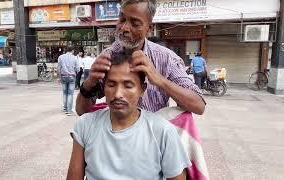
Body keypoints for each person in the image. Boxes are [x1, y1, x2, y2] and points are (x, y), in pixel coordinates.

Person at [67, 51, 191, 180]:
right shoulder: (85, 125)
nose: (118, 94)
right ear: (104, 88)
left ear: (142, 89)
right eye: (111, 84)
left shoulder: (163, 131)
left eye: (128, 85)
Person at [76, 0, 205, 115]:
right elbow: (82, 111)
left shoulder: (167, 59)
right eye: (122, 20)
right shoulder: (106, 58)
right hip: (117, 138)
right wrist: (89, 82)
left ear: (149, 28)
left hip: (154, 139)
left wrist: (159, 80)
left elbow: (199, 106)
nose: (125, 28)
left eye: (135, 23)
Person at [57, 46, 78, 115]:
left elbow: (58, 68)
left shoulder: (61, 57)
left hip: (63, 76)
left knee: (65, 93)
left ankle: (65, 108)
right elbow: (77, 69)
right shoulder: (75, 57)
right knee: (70, 94)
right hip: (72, 77)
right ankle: (69, 111)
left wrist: (58, 78)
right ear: (72, 50)